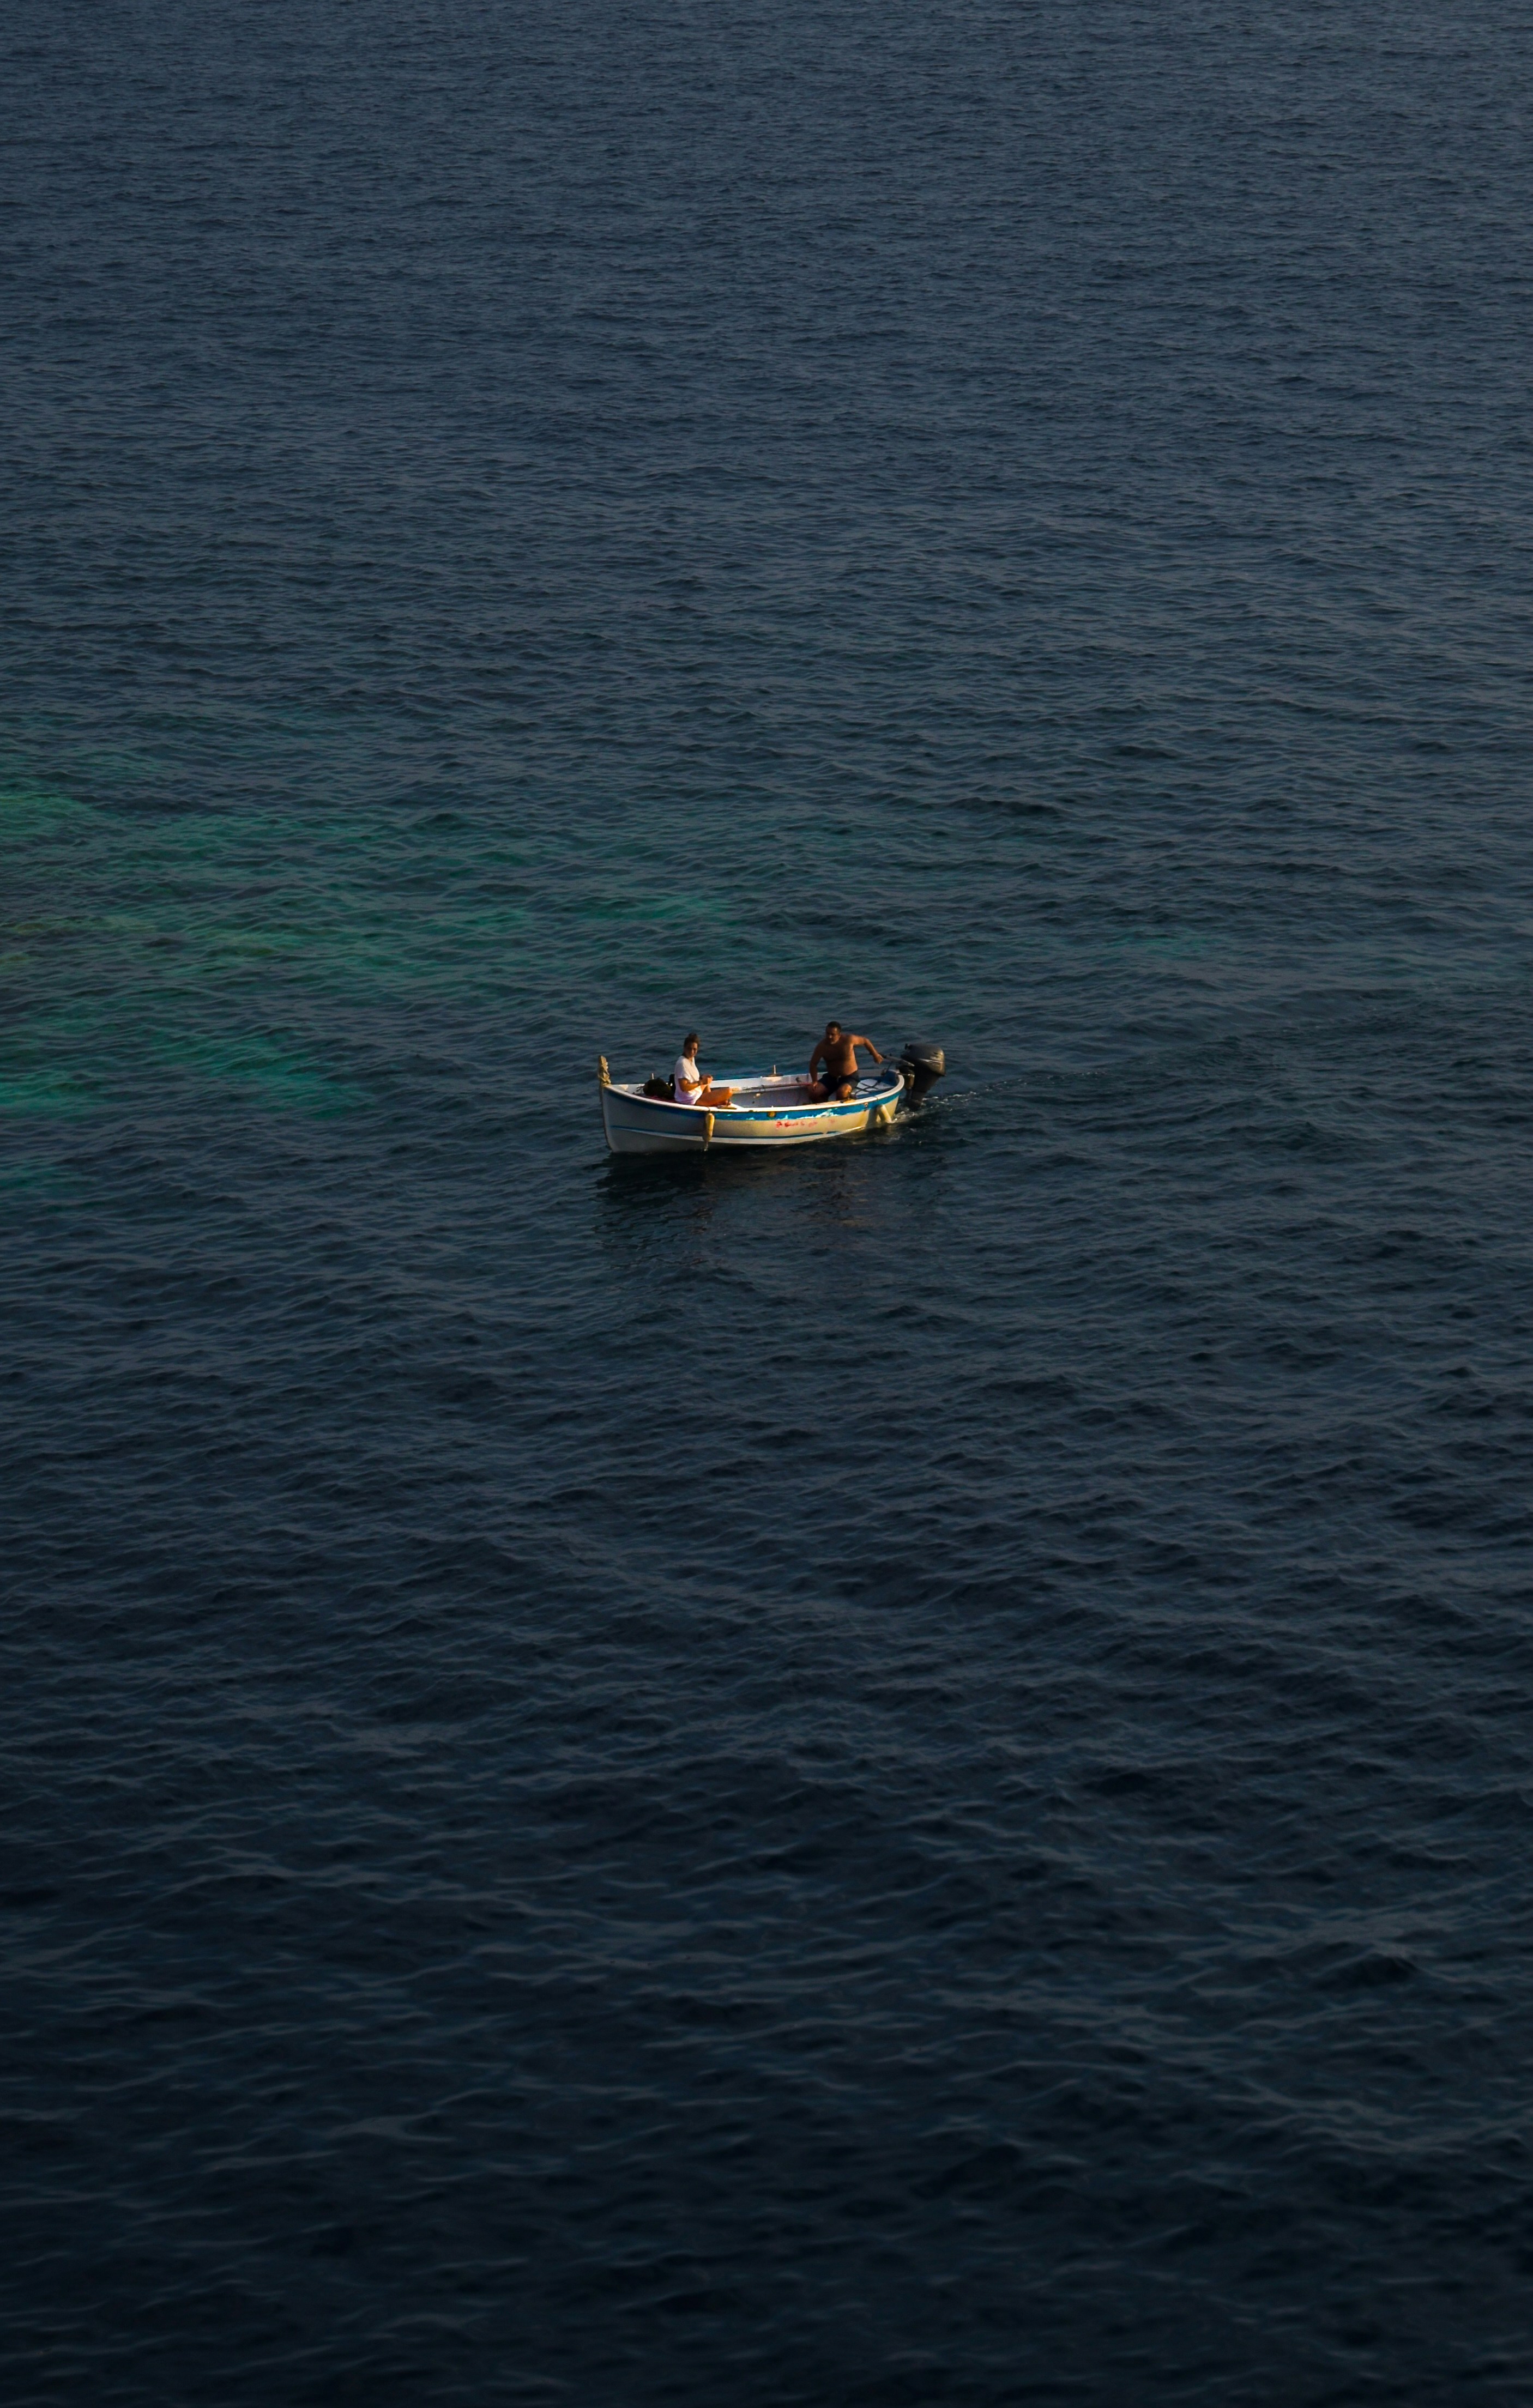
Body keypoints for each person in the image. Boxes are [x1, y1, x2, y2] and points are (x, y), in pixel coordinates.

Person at [807, 1021, 884, 1100]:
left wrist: (875, 1055)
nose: (829, 1037)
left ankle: (845, 1104)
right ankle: (825, 1105)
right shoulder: (822, 1046)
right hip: (831, 1078)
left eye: (833, 1035)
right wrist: (815, 1081)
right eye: (828, 1033)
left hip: (850, 1077)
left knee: (842, 1092)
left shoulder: (849, 1040)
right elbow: (813, 1064)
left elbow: (865, 1041)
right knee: (813, 1092)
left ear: (839, 1035)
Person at [673, 1034, 732, 1109]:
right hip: (690, 1099)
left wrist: (703, 1079)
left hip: (694, 1095)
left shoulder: (691, 1059)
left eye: (694, 1049)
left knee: (706, 1083)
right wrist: (701, 1082)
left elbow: (691, 1079)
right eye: (689, 1049)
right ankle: (714, 1102)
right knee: (729, 1091)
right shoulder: (682, 1063)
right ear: (684, 1048)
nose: (692, 1052)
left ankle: (713, 1102)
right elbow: (684, 1087)